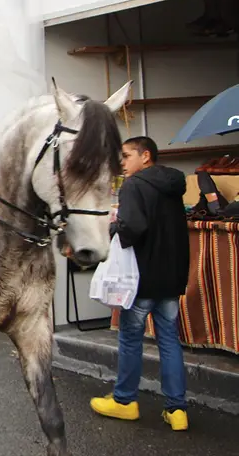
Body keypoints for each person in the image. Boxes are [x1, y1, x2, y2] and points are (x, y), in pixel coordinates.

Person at [90, 137, 191, 431]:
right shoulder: (173, 184)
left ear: (146, 156)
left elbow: (133, 229)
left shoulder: (134, 185)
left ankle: (124, 402)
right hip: (170, 277)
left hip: (140, 278)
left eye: (126, 155)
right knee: (170, 341)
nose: (122, 162)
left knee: (131, 339)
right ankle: (177, 410)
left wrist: (112, 227)